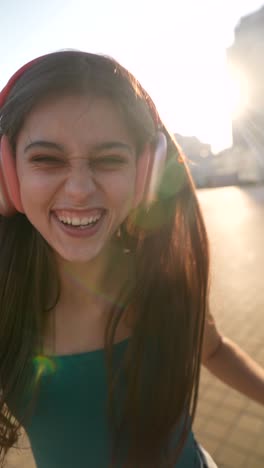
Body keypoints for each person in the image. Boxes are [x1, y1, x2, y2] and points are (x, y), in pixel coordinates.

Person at [0, 50, 263, 468]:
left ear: (147, 175)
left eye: (109, 160)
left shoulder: (163, 281)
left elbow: (213, 351)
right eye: (47, 159)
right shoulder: (6, 301)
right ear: (7, 174)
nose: (80, 190)